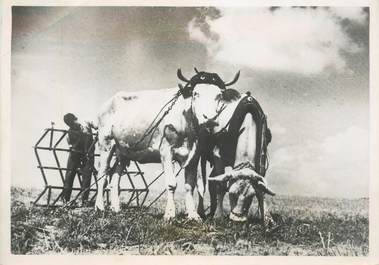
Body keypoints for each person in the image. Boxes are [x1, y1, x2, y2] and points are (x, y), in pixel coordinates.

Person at [62, 113, 97, 206]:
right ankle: (65, 200)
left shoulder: (87, 122)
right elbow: (70, 145)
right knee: (69, 174)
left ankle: (84, 201)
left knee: (87, 176)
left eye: (73, 123)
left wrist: (98, 132)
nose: (72, 126)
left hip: (88, 152)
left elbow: (98, 127)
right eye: (70, 125)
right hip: (75, 153)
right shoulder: (69, 132)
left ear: (75, 119)